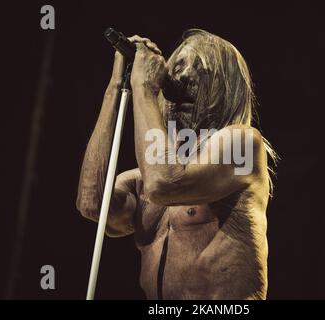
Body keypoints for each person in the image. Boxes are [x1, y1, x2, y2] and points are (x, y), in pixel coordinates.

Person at [76, 29, 276, 299]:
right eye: (177, 67)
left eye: (201, 71)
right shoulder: (141, 180)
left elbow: (163, 184)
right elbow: (92, 203)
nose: (182, 77)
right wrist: (116, 85)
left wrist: (144, 88)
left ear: (226, 89)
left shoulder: (243, 145)